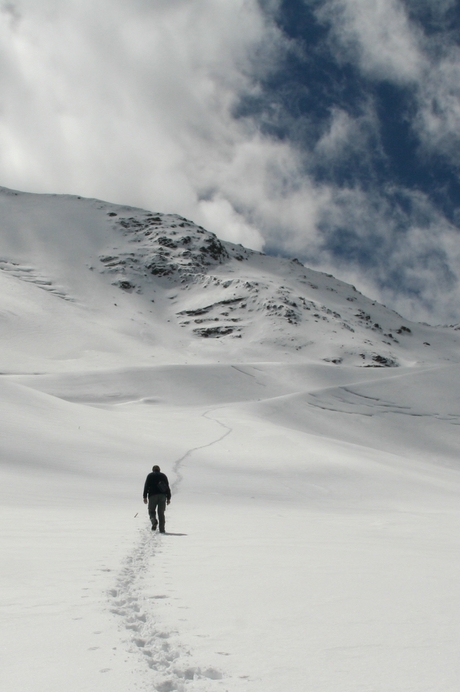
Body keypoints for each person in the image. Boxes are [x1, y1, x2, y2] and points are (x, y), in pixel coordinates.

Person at [143, 465, 171, 533]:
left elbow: (146, 486)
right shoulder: (163, 476)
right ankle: (162, 530)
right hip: (162, 496)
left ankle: (153, 521)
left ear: (153, 470)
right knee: (161, 513)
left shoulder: (150, 476)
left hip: (152, 496)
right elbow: (167, 487)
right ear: (159, 469)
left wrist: (145, 497)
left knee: (151, 511)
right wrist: (168, 498)